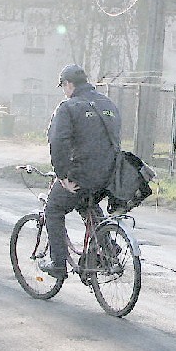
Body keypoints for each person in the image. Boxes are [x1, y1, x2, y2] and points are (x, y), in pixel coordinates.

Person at [39, 63, 121, 280]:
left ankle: (58, 264)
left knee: (54, 210)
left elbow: (58, 142)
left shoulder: (68, 107)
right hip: (111, 176)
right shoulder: (109, 104)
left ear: (69, 84)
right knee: (88, 204)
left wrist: (62, 175)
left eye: (63, 86)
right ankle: (107, 248)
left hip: (83, 174)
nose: (64, 91)